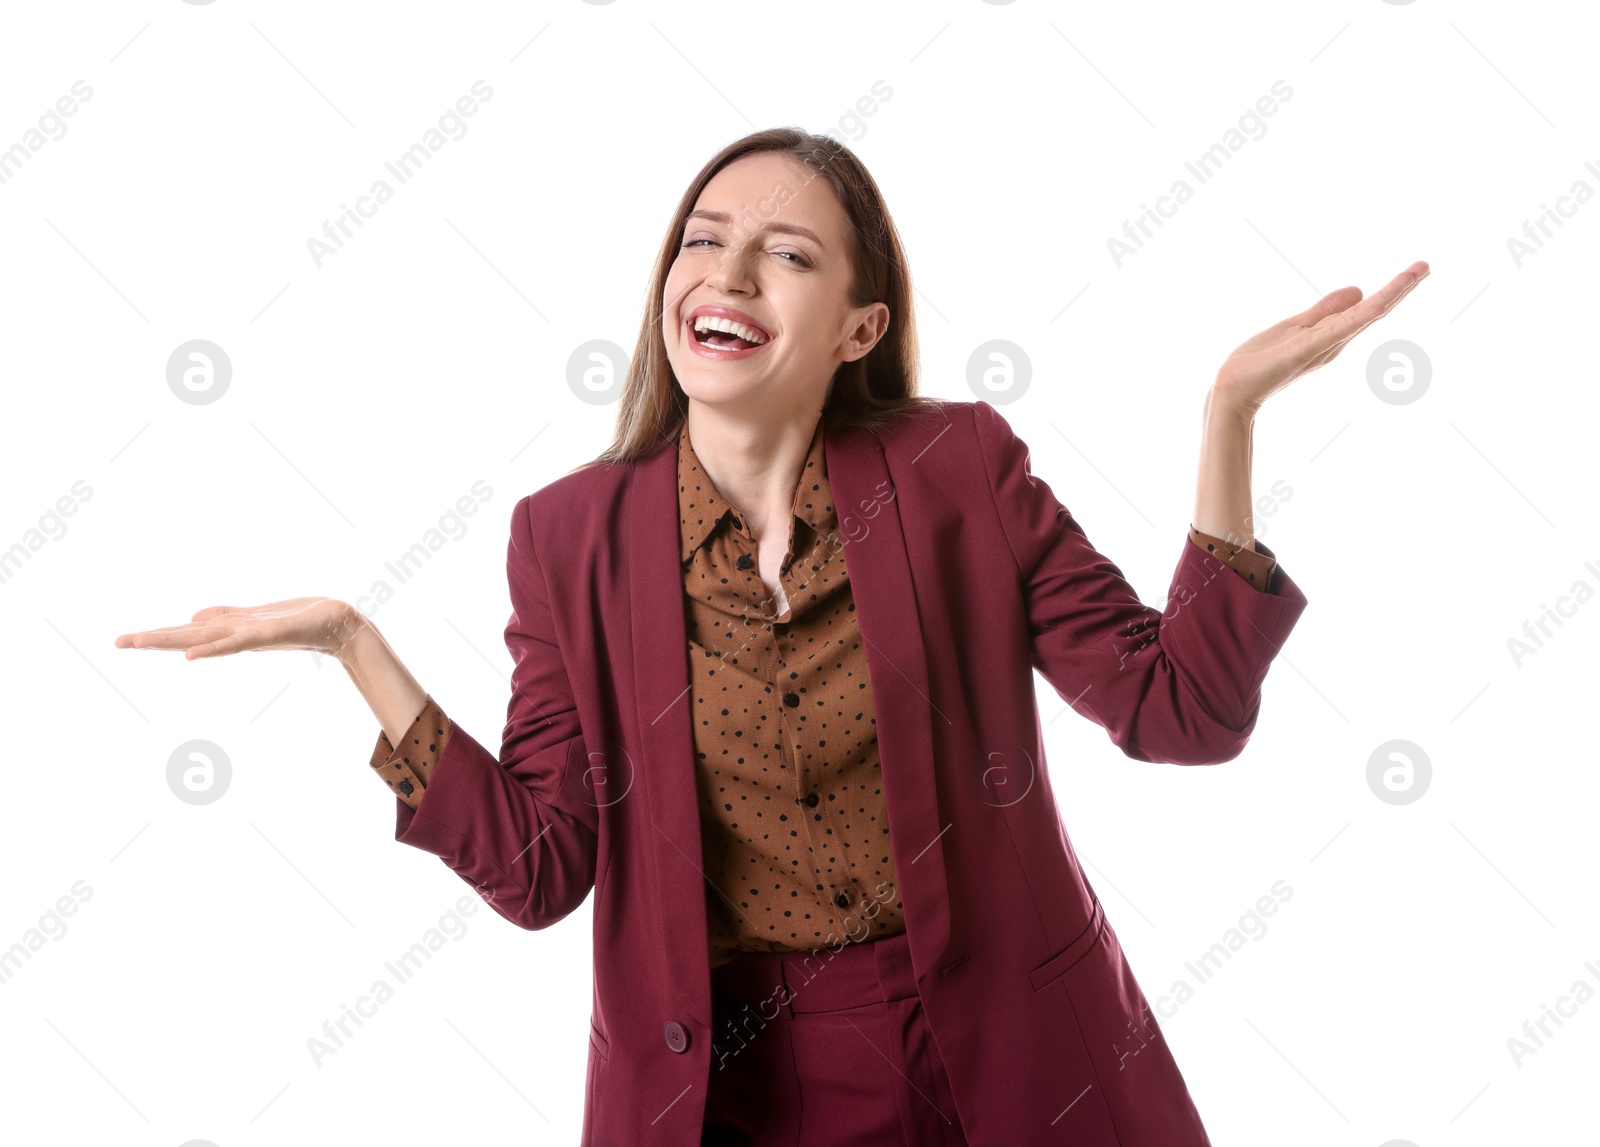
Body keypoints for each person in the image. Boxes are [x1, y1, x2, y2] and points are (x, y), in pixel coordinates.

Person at [116, 128, 1428, 1146]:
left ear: (860, 329)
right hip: (735, 1087)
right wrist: (355, 647)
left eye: (789, 255)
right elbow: (540, 870)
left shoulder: (959, 467)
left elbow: (1181, 713)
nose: (729, 275)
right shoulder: (564, 536)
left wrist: (1229, 419)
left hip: (1014, 1056)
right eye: (704, 240)